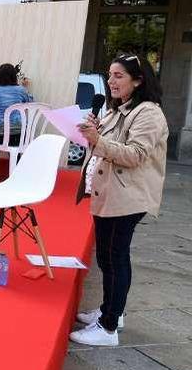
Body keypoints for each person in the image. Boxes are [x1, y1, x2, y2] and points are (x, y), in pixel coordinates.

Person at [70, 54, 168, 347]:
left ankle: (108, 327)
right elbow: (106, 146)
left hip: (126, 196)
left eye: (119, 76)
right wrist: (92, 134)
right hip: (110, 192)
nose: (111, 81)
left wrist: (98, 140)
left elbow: (135, 155)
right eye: (110, 74)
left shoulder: (148, 113)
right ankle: (112, 310)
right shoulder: (117, 109)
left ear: (138, 81)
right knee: (108, 257)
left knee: (115, 258)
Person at [0, 63, 34, 176]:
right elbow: (31, 105)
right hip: (17, 135)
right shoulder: (21, 91)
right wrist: (26, 88)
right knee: (14, 145)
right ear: (14, 76)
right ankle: (17, 173)